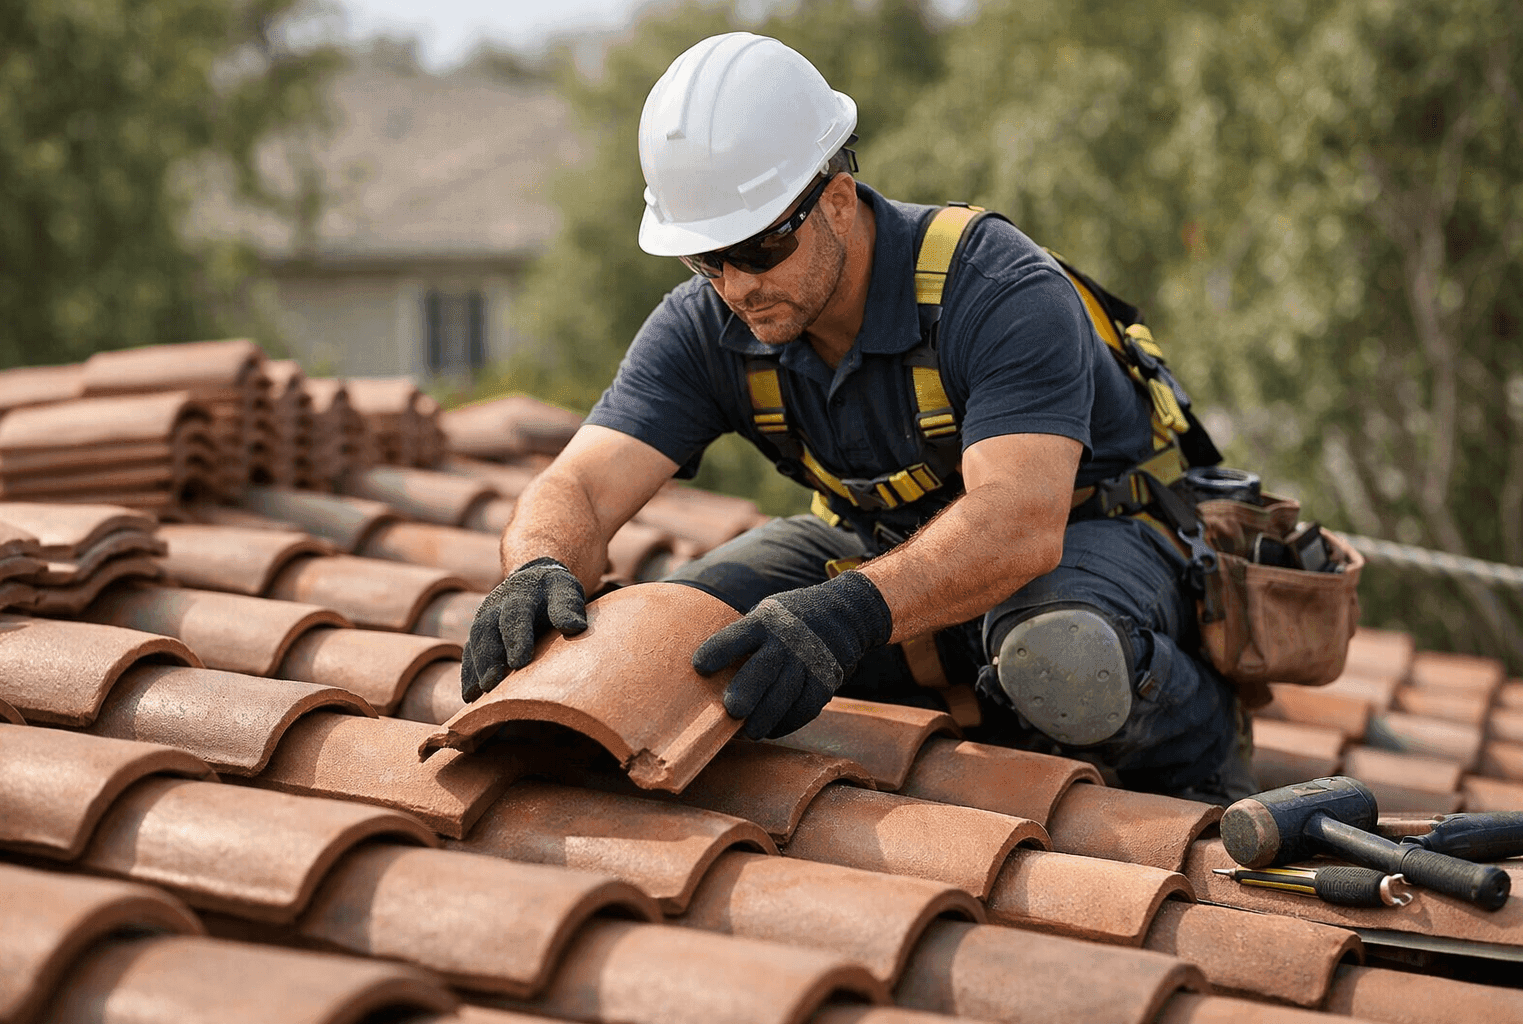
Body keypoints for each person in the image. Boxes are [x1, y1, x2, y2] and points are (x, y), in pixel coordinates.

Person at [462, 31, 1253, 802]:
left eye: (759, 249)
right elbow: (584, 486)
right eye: (707, 260)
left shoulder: (996, 287)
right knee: (677, 640)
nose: (736, 286)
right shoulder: (706, 327)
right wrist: (538, 563)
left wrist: (850, 614)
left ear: (836, 200)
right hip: (887, 544)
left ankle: (1201, 739)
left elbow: (1021, 521)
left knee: (1059, 653)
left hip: (1098, 542)